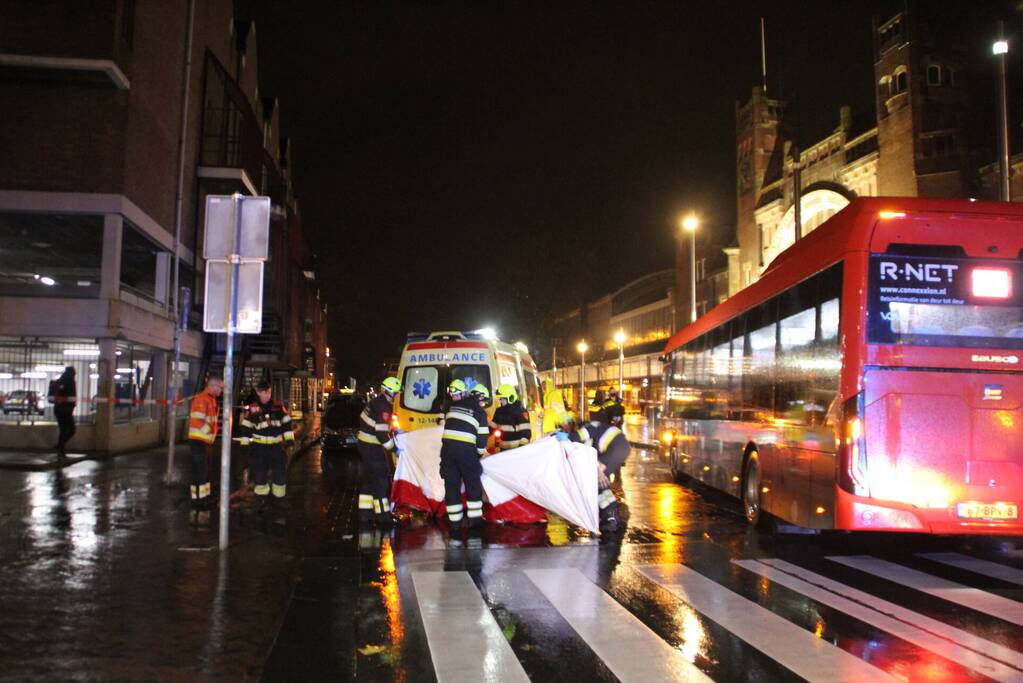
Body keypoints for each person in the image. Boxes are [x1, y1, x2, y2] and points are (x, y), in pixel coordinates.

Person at [439, 379, 489, 527]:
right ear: (481, 398)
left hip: (447, 452)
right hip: (467, 453)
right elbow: (482, 440)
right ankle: (475, 523)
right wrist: (478, 455)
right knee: (473, 484)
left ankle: (454, 524)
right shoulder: (480, 412)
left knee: (451, 486)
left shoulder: (452, 406)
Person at [238, 379, 295, 511]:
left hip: (276, 447)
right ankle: (261, 500)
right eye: (264, 393)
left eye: (268, 392)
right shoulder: (253, 409)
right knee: (259, 474)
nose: (267, 395)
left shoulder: (278, 406)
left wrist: (289, 441)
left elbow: (287, 424)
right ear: (258, 393)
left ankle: (279, 500)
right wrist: (244, 446)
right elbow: (246, 429)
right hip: (259, 448)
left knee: (280, 474)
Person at [356, 377, 401, 527]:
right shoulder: (384, 407)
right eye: (395, 393)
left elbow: (375, 423)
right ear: (390, 392)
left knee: (369, 481)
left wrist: (393, 429)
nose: (396, 396)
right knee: (381, 481)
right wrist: (394, 448)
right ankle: (383, 518)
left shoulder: (376, 402)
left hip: (364, 444)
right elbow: (381, 434)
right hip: (372, 447)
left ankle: (365, 515)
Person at [575, 414, 631, 532]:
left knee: (597, 480)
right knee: (599, 482)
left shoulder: (588, 430)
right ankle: (610, 513)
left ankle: (611, 515)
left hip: (616, 448)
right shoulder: (598, 426)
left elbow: (588, 453)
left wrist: (568, 437)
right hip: (621, 447)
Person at [187, 373, 224, 511]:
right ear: (213, 386)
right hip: (199, 441)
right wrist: (208, 431)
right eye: (220, 387)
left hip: (204, 441)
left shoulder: (210, 399)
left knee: (205, 471)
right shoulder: (203, 399)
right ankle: (198, 501)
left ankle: (204, 498)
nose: (221, 391)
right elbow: (197, 420)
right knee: (200, 471)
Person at [491, 384, 531, 450]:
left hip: (516, 450)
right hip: (502, 449)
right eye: (500, 399)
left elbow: (526, 434)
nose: (500, 401)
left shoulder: (520, 411)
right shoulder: (499, 411)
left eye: (502, 399)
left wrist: (521, 449)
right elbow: (491, 428)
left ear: (510, 398)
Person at [53, 366, 77, 462]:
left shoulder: (60, 381)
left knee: (65, 429)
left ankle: (60, 447)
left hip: (59, 409)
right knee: (70, 430)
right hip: (65, 410)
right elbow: (69, 395)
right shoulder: (69, 382)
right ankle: (60, 449)